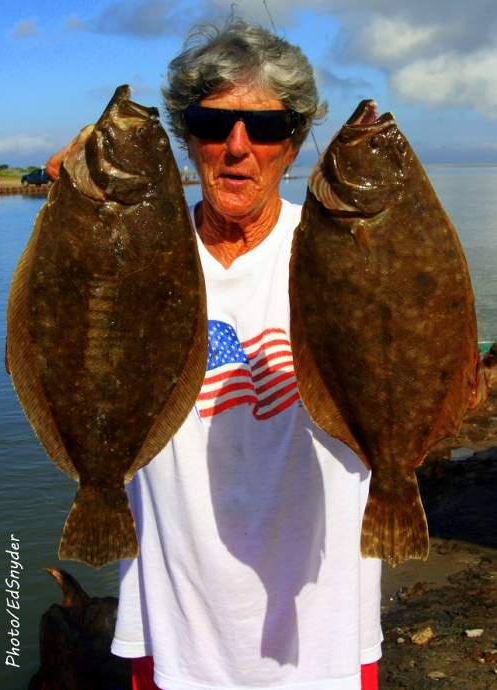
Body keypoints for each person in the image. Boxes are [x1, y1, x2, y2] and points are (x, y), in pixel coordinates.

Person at [48, 17, 382, 690]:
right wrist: (73, 213)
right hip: (171, 632)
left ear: (295, 142)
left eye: (266, 128)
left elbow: (413, 350)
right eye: (210, 123)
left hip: (324, 637)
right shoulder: (135, 252)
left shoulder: (346, 252)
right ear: (183, 134)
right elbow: (57, 332)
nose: (238, 149)